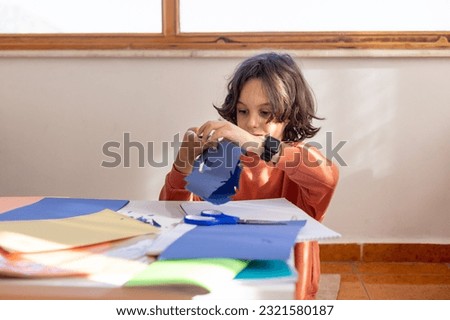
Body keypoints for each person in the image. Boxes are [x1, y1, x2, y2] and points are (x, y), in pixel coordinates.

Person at [159, 52, 339, 299]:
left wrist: (256, 144)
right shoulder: (221, 160)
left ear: (291, 113)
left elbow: (326, 176)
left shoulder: (299, 160)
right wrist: (183, 165)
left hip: (288, 294)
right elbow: (175, 216)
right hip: (226, 286)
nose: (251, 124)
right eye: (243, 111)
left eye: (265, 113)